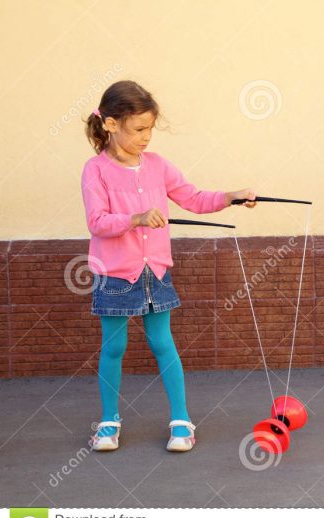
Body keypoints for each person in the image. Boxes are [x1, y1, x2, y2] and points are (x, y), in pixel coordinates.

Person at [82, 80, 257, 451]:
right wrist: (137, 218)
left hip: (156, 271)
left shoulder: (158, 166)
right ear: (111, 124)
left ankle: (181, 421)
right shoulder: (95, 170)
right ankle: (108, 423)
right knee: (114, 348)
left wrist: (230, 197)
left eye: (150, 129)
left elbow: (192, 198)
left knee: (163, 342)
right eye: (138, 129)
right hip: (114, 274)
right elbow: (97, 221)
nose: (146, 137)